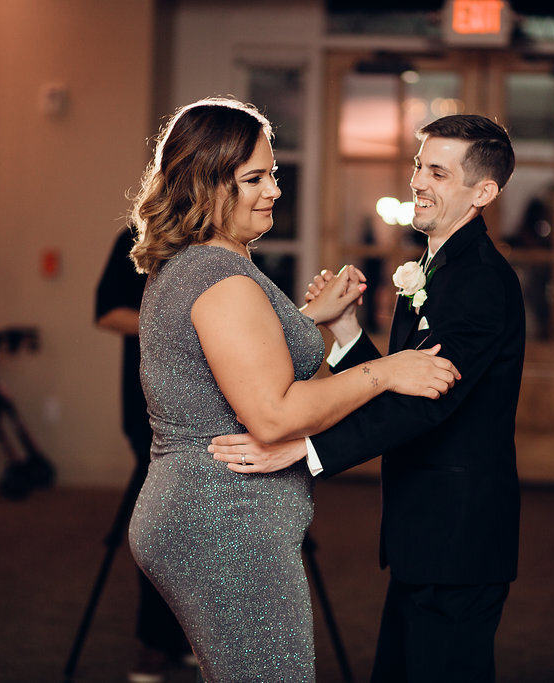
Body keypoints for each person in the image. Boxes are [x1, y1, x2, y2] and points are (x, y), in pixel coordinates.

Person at [124, 96, 459, 682]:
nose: (274, 189)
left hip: (215, 514)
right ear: (205, 186)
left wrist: (310, 322)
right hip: (222, 521)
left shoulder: (206, 265)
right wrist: (387, 370)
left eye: (272, 172)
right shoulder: (219, 278)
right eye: (253, 178)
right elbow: (275, 416)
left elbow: (250, 369)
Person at [210, 113, 525, 682]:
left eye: (437, 172)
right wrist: (349, 332)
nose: (417, 182)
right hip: (424, 534)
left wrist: (304, 450)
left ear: (483, 192)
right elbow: (398, 377)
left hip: (459, 540)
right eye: (417, 165)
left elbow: (425, 402)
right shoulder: (434, 267)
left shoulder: (479, 281)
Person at [94, 225, 193, 681]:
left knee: (201, 527)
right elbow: (106, 313)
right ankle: (155, 639)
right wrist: (176, 324)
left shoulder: (221, 233)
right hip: (149, 407)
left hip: (210, 404)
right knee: (159, 525)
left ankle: (192, 635)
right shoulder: (138, 234)